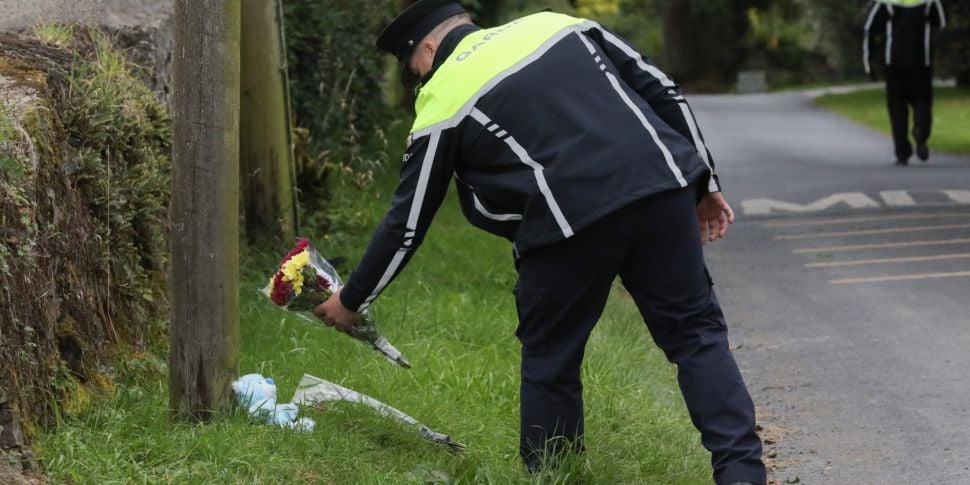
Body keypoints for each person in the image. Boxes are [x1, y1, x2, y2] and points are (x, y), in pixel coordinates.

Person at [314, 1, 766, 483]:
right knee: (697, 337)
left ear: (428, 47)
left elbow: (408, 219)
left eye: (415, 69)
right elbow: (663, 91)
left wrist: (353, 298)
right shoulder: (558, 25)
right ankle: (743, 473)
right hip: (663, 187)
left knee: (551, 358)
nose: (419, 79)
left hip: (566, 223)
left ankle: (554, 475)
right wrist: (705, 183)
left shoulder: (442, 97)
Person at [863, 0, 947, 165]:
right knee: (922, 100)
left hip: (893, 61)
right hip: (921, 60)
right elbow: (940, 22)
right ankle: (921, 132)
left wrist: (868, 62)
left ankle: (902, 152)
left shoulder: (885, 2)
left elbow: (870, 28)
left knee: (896, 106)